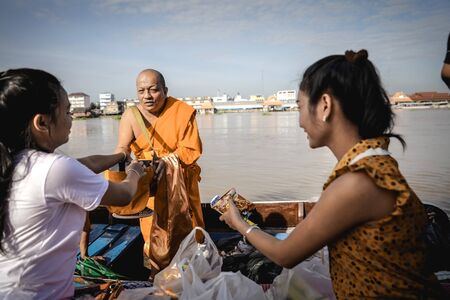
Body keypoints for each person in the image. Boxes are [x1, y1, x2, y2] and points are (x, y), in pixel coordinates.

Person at [220, 50, 445, 298]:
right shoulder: (373, 163)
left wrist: (239, 223)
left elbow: (286, 255)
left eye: (300, 107)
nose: (300, 121)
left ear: (325, 106)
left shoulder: (357, 182)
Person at [0, 68, 146, 299]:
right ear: (42, 122)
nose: (72, 118)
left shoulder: (19, 162)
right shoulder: (54, 168)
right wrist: (136, 171)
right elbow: (123, 195)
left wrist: (120, 155)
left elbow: (87, 163)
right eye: (67, 112)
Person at [111, 69, 205, 274]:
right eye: (142, 90)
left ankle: (192, 274)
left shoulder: (181, 111)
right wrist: (118, 159)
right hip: (150, 184)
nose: (147, 96)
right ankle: (158, 274)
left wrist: (166, 161)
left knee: (189, 228)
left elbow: (191, 149)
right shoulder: (131, 116)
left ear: (165, 90)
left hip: (181, 183)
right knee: (154, 232)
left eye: (154, 90)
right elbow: (123, 147)